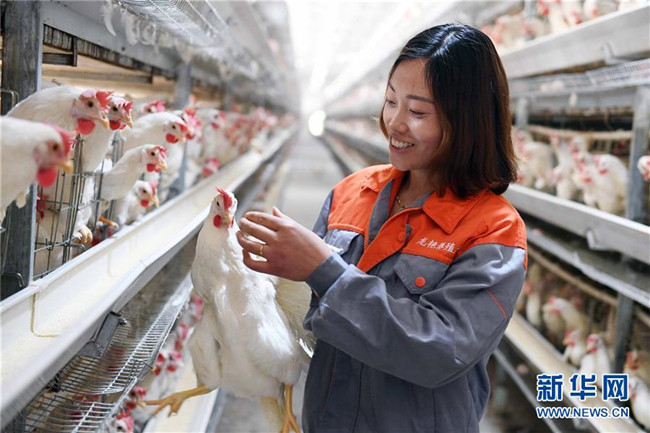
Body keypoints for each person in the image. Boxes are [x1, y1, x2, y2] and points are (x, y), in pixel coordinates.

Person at [236, 23, 527, 433]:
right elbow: (316, 318)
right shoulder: (350, 193)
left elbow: (442, 352)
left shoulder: (494, 231)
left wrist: (324, 270)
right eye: (391, 101)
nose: (395, 123)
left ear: (466, 122)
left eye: (418, 112)